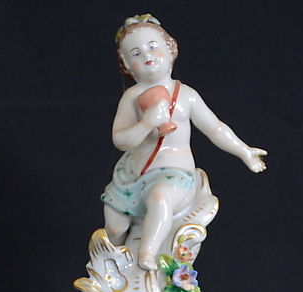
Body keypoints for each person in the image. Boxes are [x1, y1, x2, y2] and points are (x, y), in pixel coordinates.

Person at [102, 15, 267, 270]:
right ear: (127, 65)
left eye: (153, 46)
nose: (147, 55)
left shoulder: (186, 96)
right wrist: (146, 123)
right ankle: (109, 266)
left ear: (170, 49)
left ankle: (147, 255)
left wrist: (243, 150)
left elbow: (215, 128)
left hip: (174, 173)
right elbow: (120, 139)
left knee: (159, 198)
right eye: (136, 53)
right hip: (132, 174)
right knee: (114, 227)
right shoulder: (132, 97)